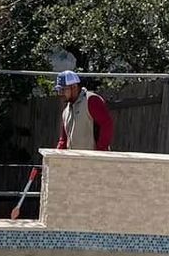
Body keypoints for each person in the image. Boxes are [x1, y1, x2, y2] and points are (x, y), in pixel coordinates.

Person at [10, 70, 112, 219]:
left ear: (74, 87)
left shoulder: (92, 101)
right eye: (59, 90)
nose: (60, 94)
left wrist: (100, 154)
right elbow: (63, 141)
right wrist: (53, 161)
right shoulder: (66, 111)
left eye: (63, 90)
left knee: (93, 207)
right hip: (75, 167)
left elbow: (107, 125)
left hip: (95, 165)